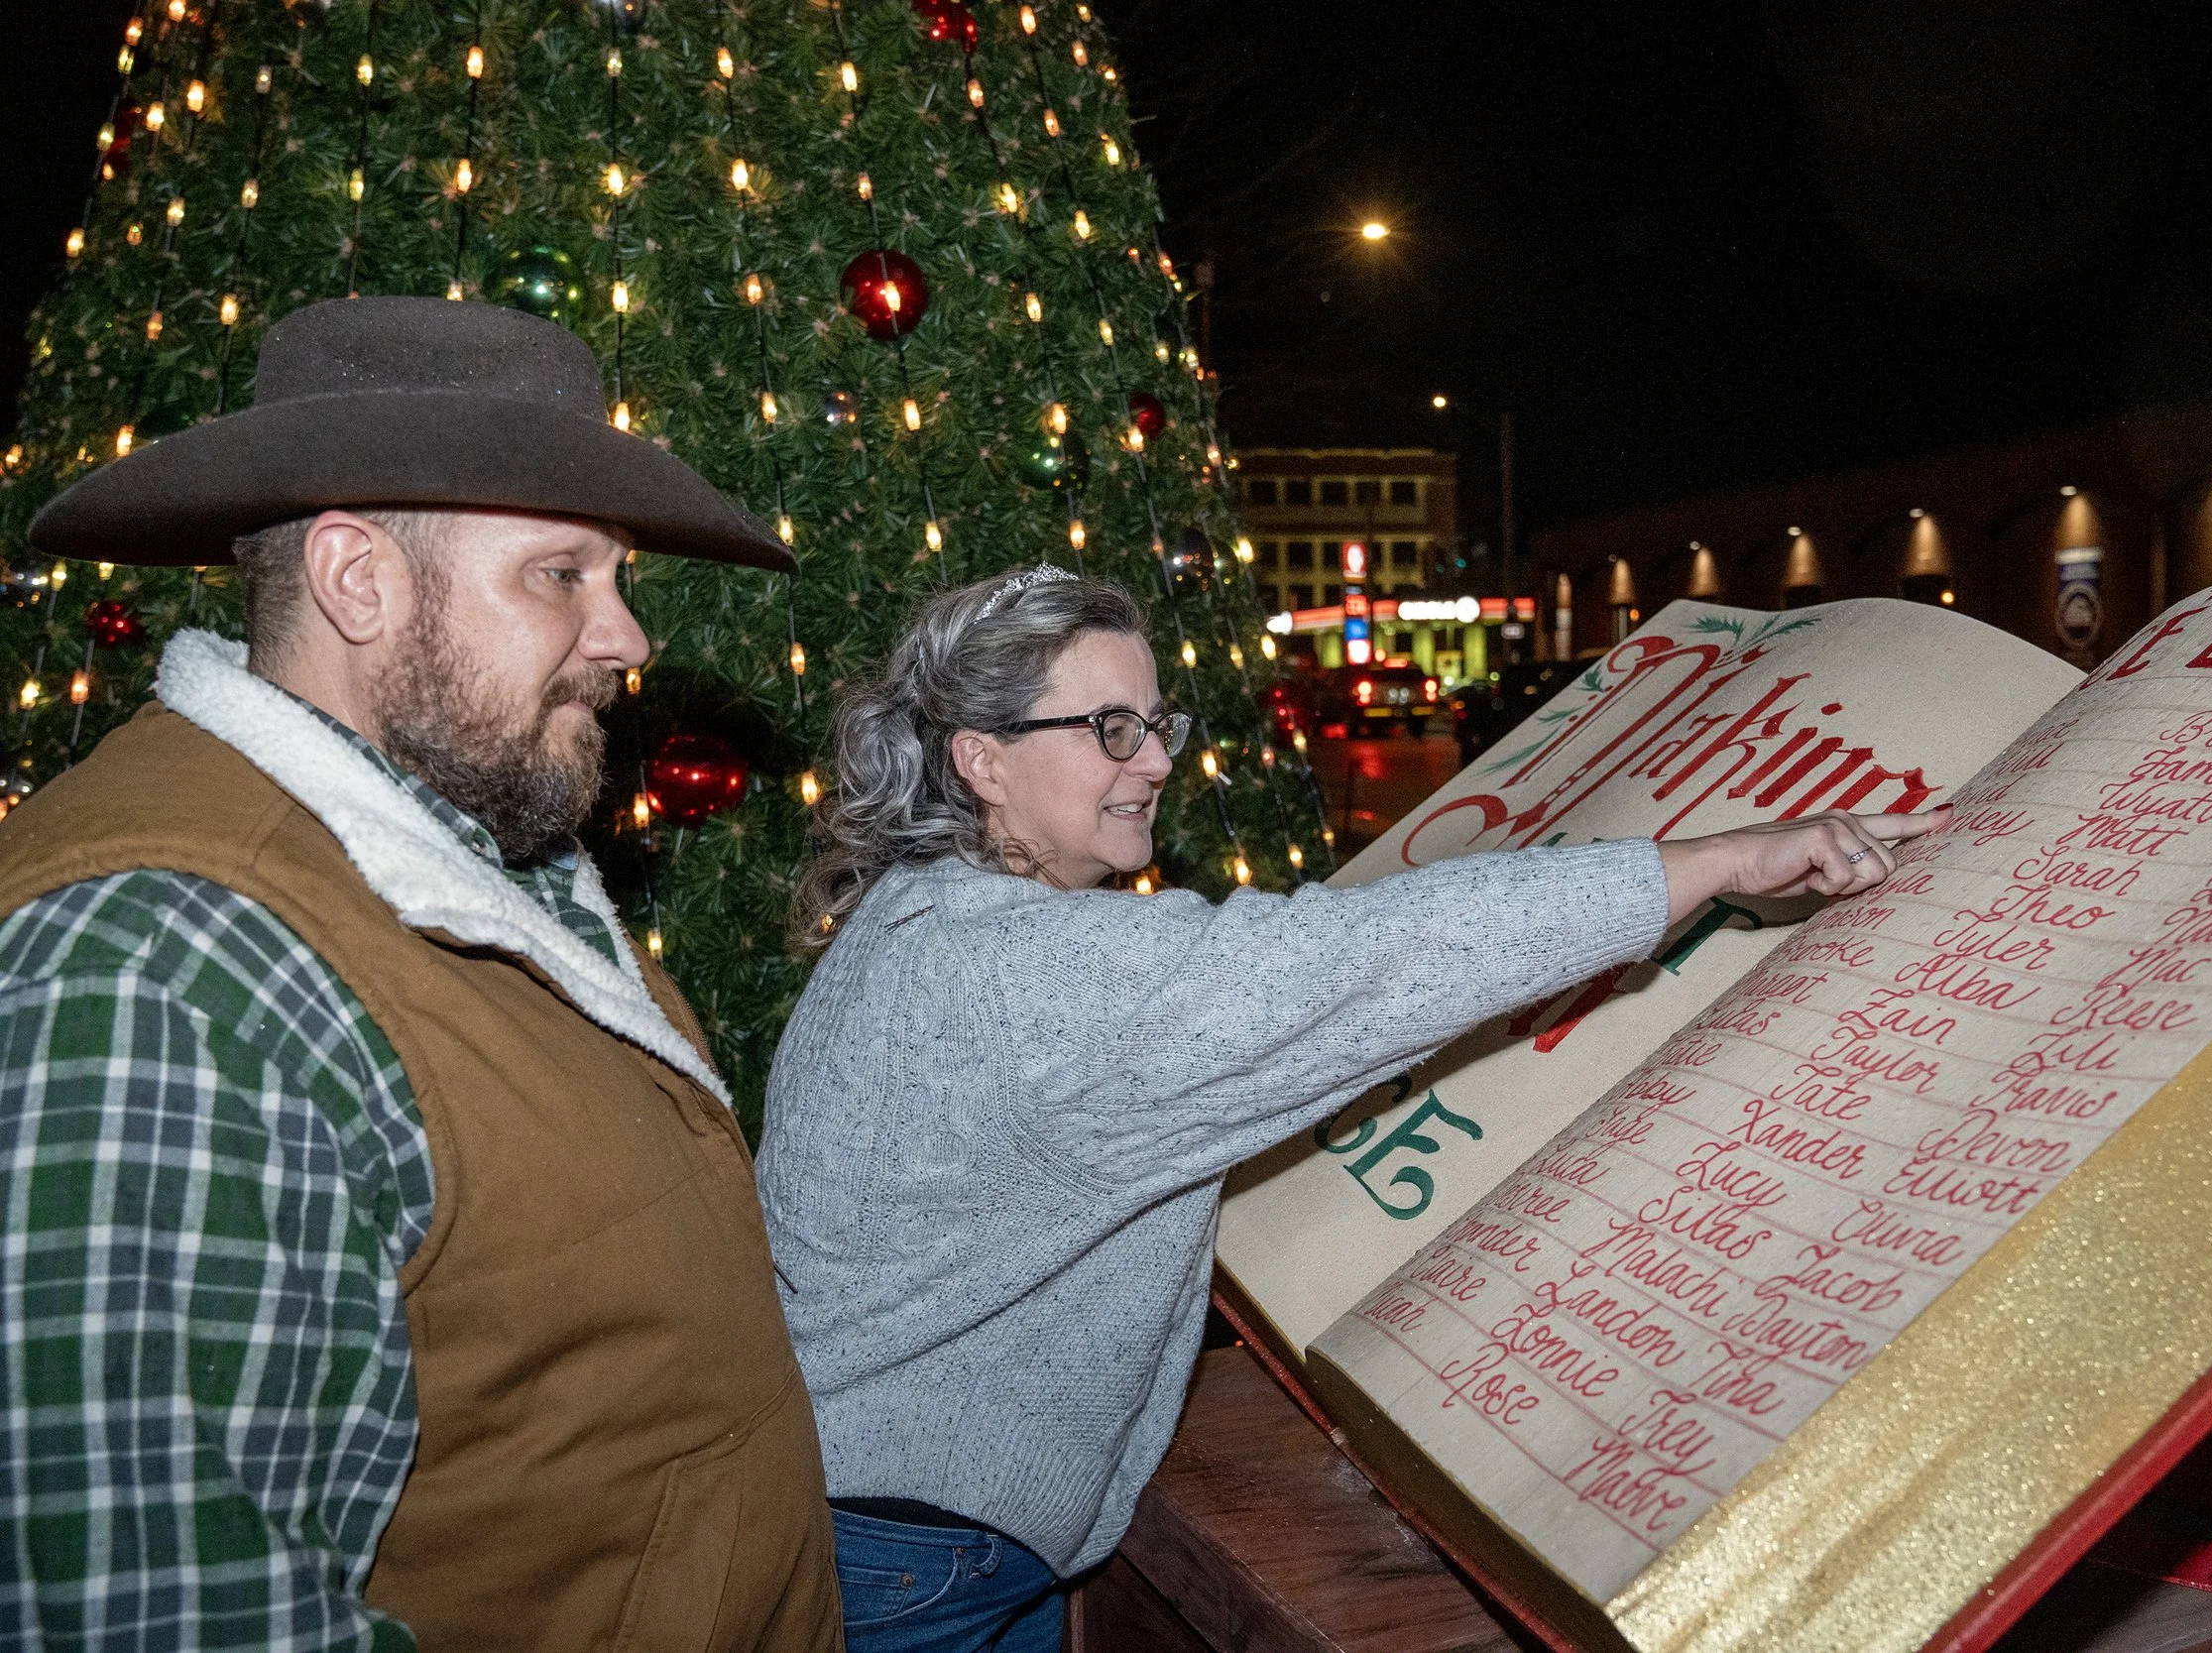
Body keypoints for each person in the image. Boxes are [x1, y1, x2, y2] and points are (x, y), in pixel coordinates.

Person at [758, 564, 1942, 1651]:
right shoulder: (1030, 971)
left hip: (875, 1512)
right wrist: (1714, 861)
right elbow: (1368, 962)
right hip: (919, 1551)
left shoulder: (923, 919)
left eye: (1156, 722)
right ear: (980, 759)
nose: (1156, 758)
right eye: (1109, 728)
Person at [0, 297, 841, 1651]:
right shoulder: (160, 972)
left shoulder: (471, 848)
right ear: (358, 580)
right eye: (561, 574)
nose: (627, 637)